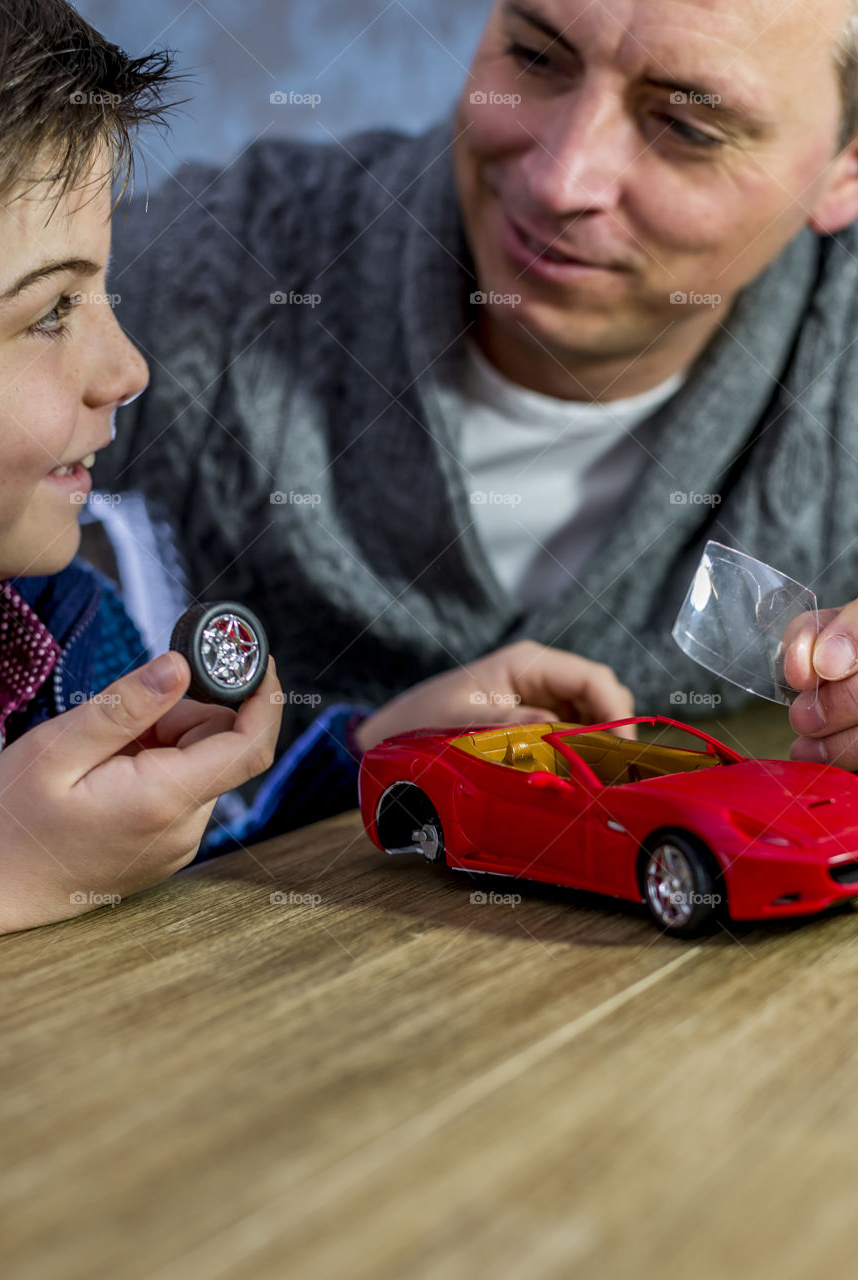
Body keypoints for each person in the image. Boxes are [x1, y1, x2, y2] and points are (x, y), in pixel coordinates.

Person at [94, 0, 858, 821]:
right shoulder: (175, 286)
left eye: (687, 128)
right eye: (535, 58)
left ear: (846, 171)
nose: (560, 180)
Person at [0, 0, 378, 934]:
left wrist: (379, 753)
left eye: (103, 290)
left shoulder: (72, 629)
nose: (130, 370)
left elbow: (176, 872)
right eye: (50, 311)